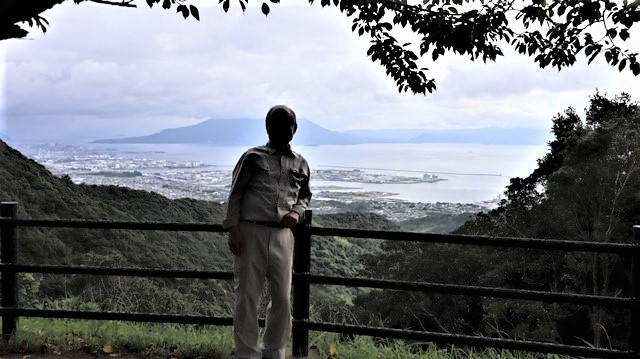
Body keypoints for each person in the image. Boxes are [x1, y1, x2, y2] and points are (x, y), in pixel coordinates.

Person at [223, 105, 312, 359]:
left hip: (284, 234)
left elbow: (305, 195)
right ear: (268, 127)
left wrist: (297, 212)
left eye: (289, 125)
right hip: (251, 231)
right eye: (278, 124)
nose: (284, 129)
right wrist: (233, 229)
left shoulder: (301, 163)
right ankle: (247, 353)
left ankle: (274, 351)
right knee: (248, 296)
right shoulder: (252, 156)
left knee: (283, 297)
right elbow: (235, 193)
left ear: (294, 129)